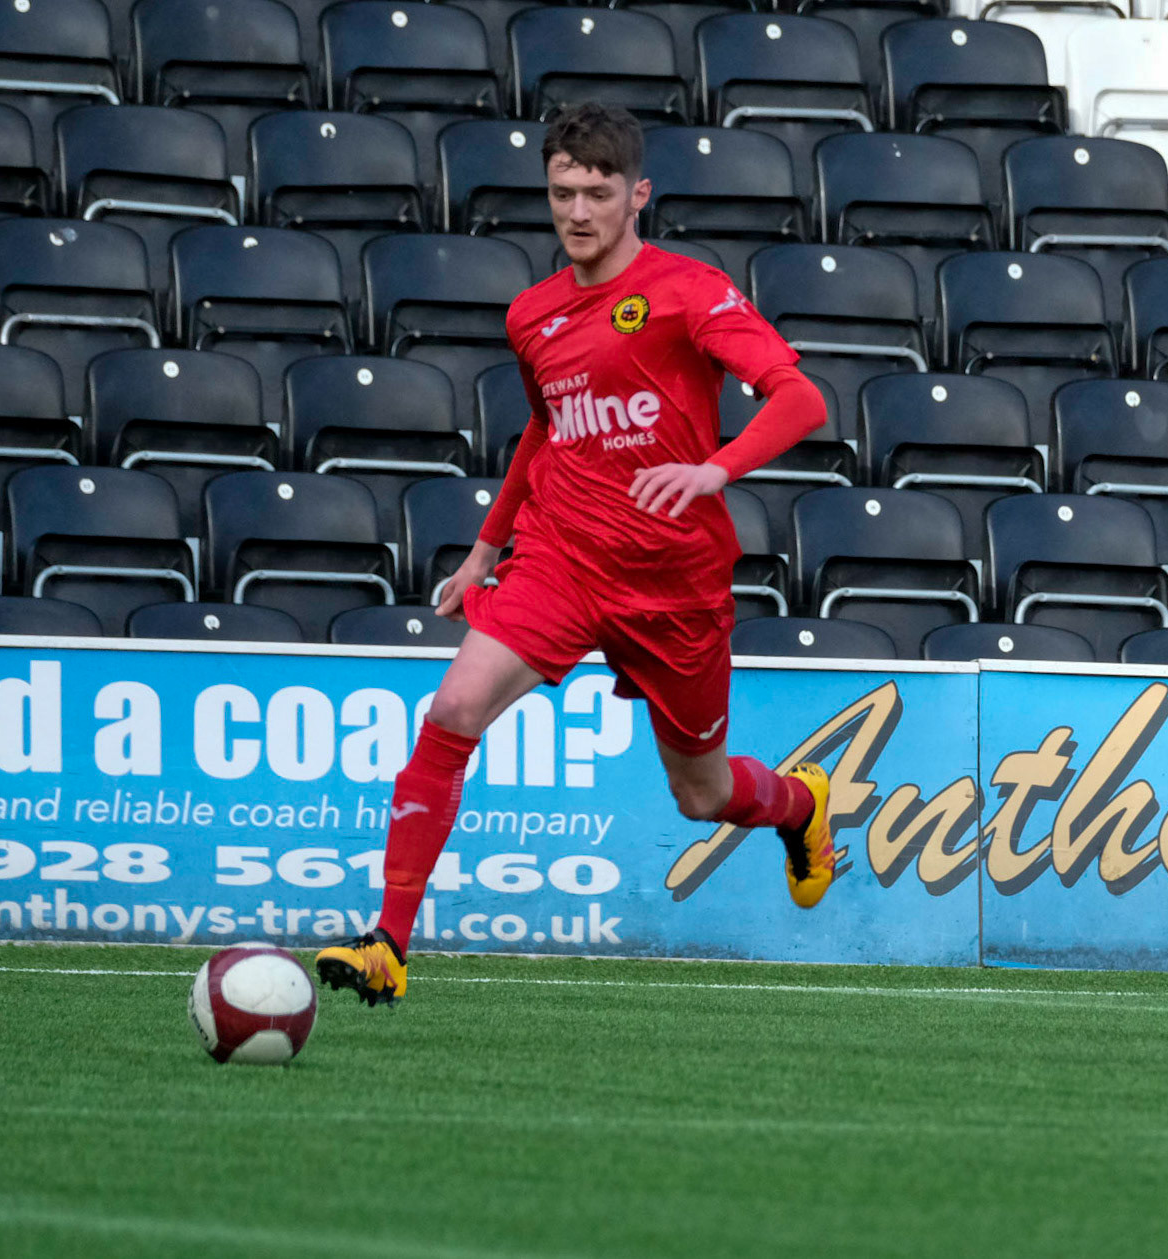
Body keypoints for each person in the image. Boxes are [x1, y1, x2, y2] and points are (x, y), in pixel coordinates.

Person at [316, 104, 837, 1007]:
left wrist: (715, 469)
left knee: (702, 795)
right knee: (454, 707)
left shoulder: (690, 291)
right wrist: (485, 549)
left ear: (638, 195)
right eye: (563, 193)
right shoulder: (532, 316)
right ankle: (387, 944)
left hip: (673, 583)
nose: (579, 212)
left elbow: (801, 399)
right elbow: (544, 433)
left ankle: (797, 804)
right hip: (561, 560)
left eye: (599, 193)